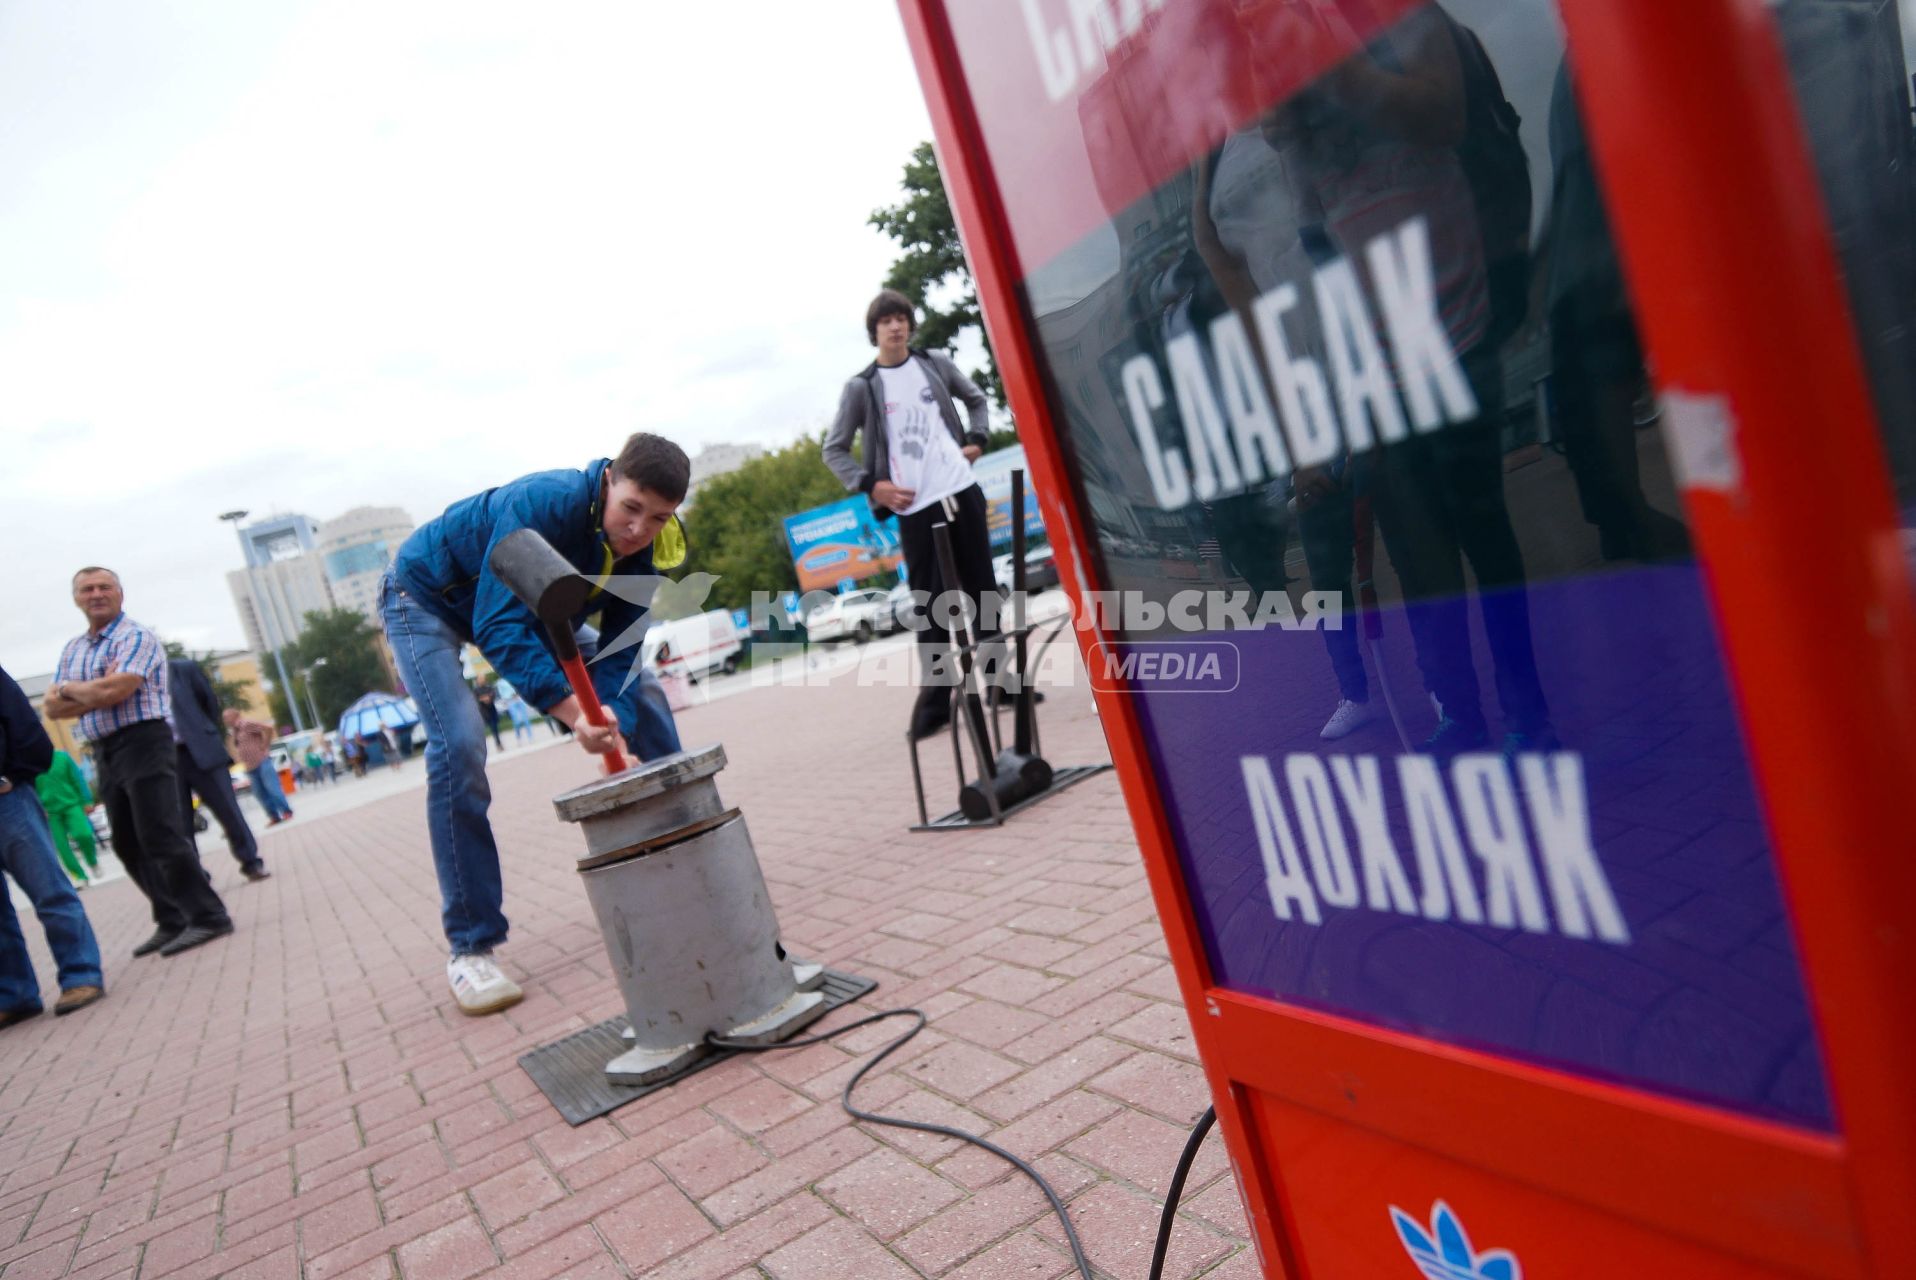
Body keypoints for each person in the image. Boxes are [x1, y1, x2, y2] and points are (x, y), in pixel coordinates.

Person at [382, 432, 689, 1015]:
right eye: (631, 508)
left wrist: (611, 716)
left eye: (658, 518)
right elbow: (498, 625)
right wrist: (576, 714)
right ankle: (470, 950)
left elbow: (622, 648)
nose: (638, 530)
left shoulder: (647, 543)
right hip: (424, 598)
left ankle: (690, 844)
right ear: (608, 483)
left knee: (642, 691)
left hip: (542, 602)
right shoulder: (542, 503)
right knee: (460, 747)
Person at [822, 289, 999, 739]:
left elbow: (977, 399)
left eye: (901, 318)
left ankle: (1005, 686)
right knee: (931, 605)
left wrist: (978, 438)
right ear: (874, 331)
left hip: (960, 487)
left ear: (910, 324)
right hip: (913, 505)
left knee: (984, 591)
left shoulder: (934, 363)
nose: (896, 326)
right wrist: (872, 485)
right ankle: (936, 706)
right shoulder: (862, 386)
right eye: (886, 321)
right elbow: (834, 449)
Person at [45, 567, 233, 957]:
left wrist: (73, 690)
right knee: (127, 842)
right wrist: (85, 690)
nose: (96, 594)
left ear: (120, 593)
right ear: (76, 598)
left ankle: (208, 915)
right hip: (104, 748)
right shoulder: (74, 648)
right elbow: (53, 709)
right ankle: (172, 918)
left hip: (144, 740)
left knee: (160, 834)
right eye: (87, 589)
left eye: (104, 587)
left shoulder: (135, 636)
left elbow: (118, 690)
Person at [1, 666, 106, 1026]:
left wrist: (11, 776)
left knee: (49, 891)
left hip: (7, 800)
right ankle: (14, 996)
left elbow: (26, 730)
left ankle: (81, 974)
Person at [168, 657, 267, 880]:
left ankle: (251, 861)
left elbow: (209, 703)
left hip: (201, 748)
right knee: (179, 822)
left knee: (228, 810)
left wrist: (203, 730)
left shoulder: (182, 669)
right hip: (166, 758)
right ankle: (195, 877)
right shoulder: (130, 680)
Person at [33, 748, 99, 888]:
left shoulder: (62, 757)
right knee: (62, 847)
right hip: (49, 812)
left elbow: (78, 779)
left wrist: (87, 801)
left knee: (84, 834)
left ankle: (92, 861)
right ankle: (79, 876)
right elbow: (29, 788)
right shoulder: (28, 763)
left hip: (72, 804)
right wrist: (37, 808)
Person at [224, 709, 294, 825]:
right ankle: (273, 816)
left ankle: (286, 811)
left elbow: (268, 728)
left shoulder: (246, 724)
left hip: (262, 761)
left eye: (226, 717)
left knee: (272, 788)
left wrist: (265, 744)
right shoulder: (235, 731)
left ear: (235, 715)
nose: (225, 720)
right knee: (259, 793)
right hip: (250, 766)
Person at [474, 682, 504, 751]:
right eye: (480, 679)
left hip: (492, 711)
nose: (482, 680)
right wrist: (483, 699)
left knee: (495, 729)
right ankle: (481, 748)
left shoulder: (489, 687)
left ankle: (498, 744)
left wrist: (489, 697)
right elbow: (475, 699)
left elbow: (493, 694)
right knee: (481, 731)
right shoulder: (476, 690)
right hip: (484, 713)